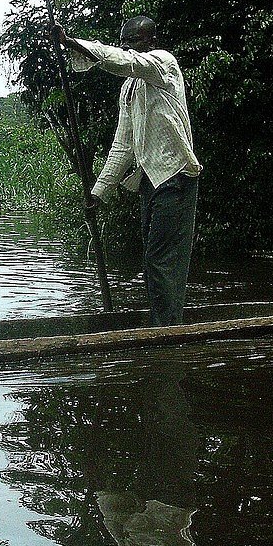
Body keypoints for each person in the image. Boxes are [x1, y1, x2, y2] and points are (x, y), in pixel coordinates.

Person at [55, 17, 201, 326]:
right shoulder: (128, 91)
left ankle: (167, 329)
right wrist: (98, 191)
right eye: (123, 40)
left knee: (161, 259)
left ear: (149, 41)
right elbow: (122, 146)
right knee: (152, 259)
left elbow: (128, 62)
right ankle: (164, 322)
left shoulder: (163, 64)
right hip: (150, 181)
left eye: (132, 40)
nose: (126, 46)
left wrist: (71, 43)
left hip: (175, 176)